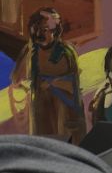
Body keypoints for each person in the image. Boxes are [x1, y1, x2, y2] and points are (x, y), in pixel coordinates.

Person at [10, 8, 85, 142]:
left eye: (45, 29)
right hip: (41, 111)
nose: (39, 33)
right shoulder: (30, 51)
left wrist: (52, 83)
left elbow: (74, 84)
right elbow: (17, 79)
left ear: (55, 31)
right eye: (36, 28)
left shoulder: (65, 52)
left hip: (64, 112)